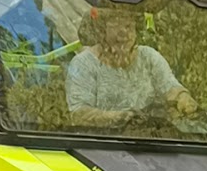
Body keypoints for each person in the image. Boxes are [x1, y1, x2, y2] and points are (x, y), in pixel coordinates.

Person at [65, 8, 198, 128]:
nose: (123, 33)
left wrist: (183, 98)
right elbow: (80, 115)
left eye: (128, 26)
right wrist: (122, 118)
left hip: (152, 139)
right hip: (102, 145)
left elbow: (170, 87)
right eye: (115, 26)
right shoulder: (83, 64)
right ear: (100, 30)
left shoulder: (149, 56)